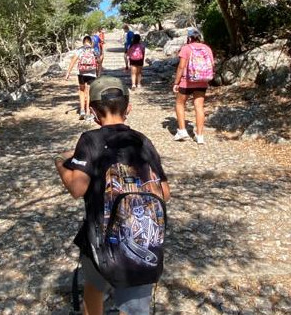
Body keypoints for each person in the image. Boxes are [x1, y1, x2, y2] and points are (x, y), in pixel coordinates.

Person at [54, 76, 171, 315]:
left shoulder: (90, 140)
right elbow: (164, 194)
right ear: (128, 108)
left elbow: (77, 189)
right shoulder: (142, 141)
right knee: (136, 308)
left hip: (100, 238)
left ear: (94, 111)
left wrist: (60, 162)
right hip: (142, 241)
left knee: (94, 286)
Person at [172, 29, 214, 145]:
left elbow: (181, 67)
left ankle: (182, 131)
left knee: (180, 103)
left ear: (189, 38)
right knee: (199, 106)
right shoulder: (207, 48)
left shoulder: (186, 48)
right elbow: (212, 64)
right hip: (202, 81)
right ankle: (200, 136)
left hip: (187, 81)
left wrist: (176, 82)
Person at [65, 36, 98, 120]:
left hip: (81, 73)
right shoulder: (94, 50)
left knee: (82, 90)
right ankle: (87, 112)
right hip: (92, 73)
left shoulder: (80, 50)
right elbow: (99, 61)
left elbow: (73, 60)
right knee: (89, 92)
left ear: (83, 42)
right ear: (91, 42)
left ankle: (82, 110)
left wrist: (68, 72)